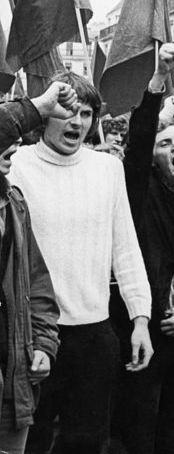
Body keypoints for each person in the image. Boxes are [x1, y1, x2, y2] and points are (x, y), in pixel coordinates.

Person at [13, 72, 153, 454]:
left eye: (87, 113)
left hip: (94, 335)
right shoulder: (17, 166)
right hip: (33, 336)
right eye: (66, 110)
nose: (77, 122)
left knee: (87, 443)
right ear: (44, 112)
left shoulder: (107, 170)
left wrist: (140, 318)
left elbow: (125, 248)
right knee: (30, 442)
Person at [115, 44, 174, 454]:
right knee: (138, 424)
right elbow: (136, 145)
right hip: (143, 326)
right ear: (154, 159)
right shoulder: (142, 192)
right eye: (164, 143)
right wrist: (157, 81)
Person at [0, 86, 66, 454]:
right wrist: (38, 107)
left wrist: (43, 345)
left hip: (12, 380)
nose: (14, 145)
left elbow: (37, 285)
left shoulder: (15, 204)